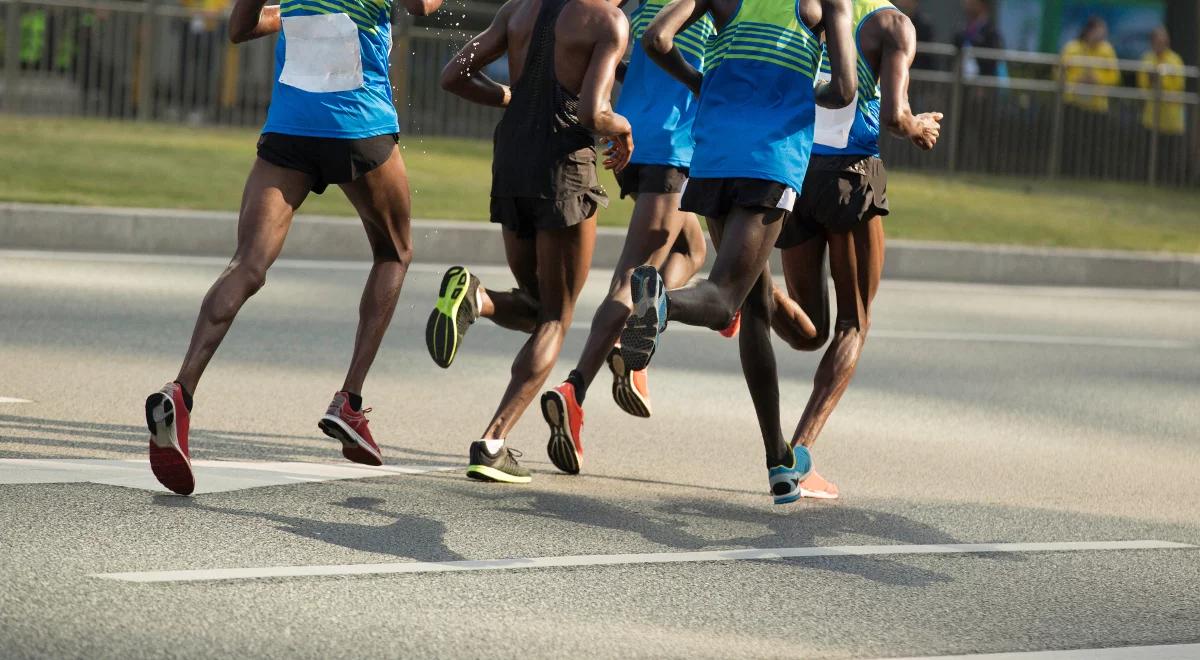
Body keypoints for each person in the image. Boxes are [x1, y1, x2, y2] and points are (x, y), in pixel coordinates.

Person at [144, 0, 440, 495]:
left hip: (289, 127)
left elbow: (239, 28)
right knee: (394, 252)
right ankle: (349, 401)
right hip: (357, 123)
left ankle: (181, 389)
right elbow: (424, 5)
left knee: (247, 264)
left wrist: (298, 16)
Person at [623, 0, 857, 504]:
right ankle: (661, 300)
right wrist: (792, 94)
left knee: (753, 308)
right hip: (770, 158)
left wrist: (700, 83)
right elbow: (844, 91)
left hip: (711, 151)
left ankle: (778, 459)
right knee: (727, 297)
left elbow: (655, 40)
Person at [432, 0, 634, 483]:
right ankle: (493, 440)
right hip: (563, 165)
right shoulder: (606, 21)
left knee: (535, 302)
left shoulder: (518, 10)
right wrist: (624, 128)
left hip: (512, 160)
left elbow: (453, 75)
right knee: (555, 318)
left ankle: (476, 299)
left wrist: (513, 97)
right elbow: (593, 110)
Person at [764, 0, 942, 500]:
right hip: (850, 177)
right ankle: (796, 457)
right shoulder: (890, 24)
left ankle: (748, 290)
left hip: (794, 169)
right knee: (852, 324)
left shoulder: (804, 8)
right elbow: (894, 117)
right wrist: (920, 126)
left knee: (808, 329)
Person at [536, 0, 717, 475]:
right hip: (670, 148)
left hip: (633, 143)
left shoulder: (647, 6)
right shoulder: (711, 8)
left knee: (692, 249)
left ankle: (640, 327)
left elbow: (621, 65)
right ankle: (575, 388)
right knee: (632, 274)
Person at [1061, 15, 1120, 178]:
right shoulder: (1072, 47)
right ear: (1089, 31)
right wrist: (1077, 80)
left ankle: (1093, 174)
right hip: (1074, 102)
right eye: (1099, 31)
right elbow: (1060, 72)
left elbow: (1114, 76)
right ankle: (1068, 173)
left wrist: (1097, 79)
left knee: (1096, 143)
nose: (1102, 35)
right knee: (1072, 141)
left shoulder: (1107, 50)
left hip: (1097, 105)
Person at [1137, 26, 1187, 180]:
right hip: (1151, 116)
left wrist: (1160, 80)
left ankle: (1169, 182)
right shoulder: (1147, 58)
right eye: (1157, 40)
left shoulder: (1175, 59)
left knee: (1169, 156)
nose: (1160, 43)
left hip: (1171, 119)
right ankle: (1148, 180)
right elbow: (1142, 83)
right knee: (1149, 154)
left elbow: (1178, 85)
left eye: (1163, 40)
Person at [954, 0, 1002, 78]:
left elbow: (992, 59)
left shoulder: (990, 30)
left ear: (981, 4)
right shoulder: (963, 28)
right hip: (963, 78)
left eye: (971, 3)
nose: (967, 5)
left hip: (983, 78)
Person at [893, 0, 935, 71]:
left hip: (917, 73)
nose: (903, 3)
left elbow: (927, 58)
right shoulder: (888, 22)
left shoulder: (924, 25)